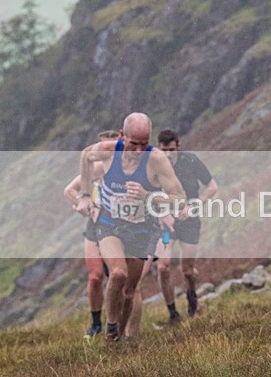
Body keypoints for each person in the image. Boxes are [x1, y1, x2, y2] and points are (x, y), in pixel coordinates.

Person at [76, 113, 185, 342]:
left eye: (143, 144)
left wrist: (149, 196)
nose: (138, 150)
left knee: (129, 292)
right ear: (122, 135)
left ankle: (117, 341)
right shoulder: (108, 150)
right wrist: (85, 195)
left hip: (140, 229)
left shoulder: (156, 159)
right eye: (133, 143)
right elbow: (86, 155)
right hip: (109, 223)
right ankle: (111, 326)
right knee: (117, 273)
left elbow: (178, 197)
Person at [64, 129, 146, 339]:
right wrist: (86, 204)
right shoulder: (96, 167)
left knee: (124, 283)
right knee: (95, 276)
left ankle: (126, 332)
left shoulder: (129, 166)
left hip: (126, 227)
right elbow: (69, 190)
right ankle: (96, 324)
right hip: (98, 225)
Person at [154, 129, 218, 321]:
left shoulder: (190, 161)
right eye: (164, 150)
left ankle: (192, 296)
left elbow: (212, 186)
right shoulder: (153, 164)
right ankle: (173, 313)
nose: (167, 154)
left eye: (171, 150)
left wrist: (195, 204)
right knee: (163, 267)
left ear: (178, 147)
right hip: (166, 225)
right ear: (159, 147)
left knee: (187, 270)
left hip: (189, 221)